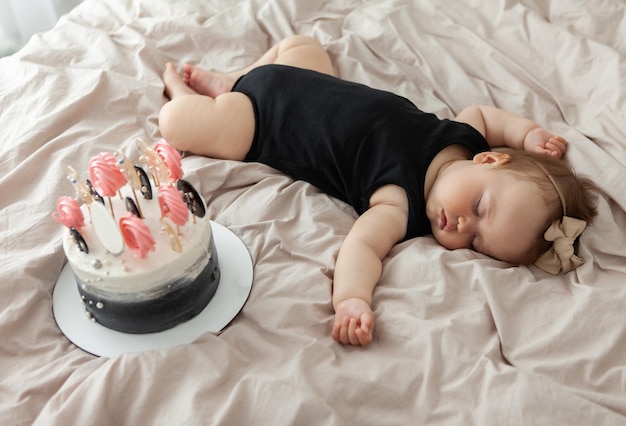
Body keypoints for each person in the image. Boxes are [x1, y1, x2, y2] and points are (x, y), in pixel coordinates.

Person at [158, 35, 598, 346]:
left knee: (178, 124)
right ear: (489, 159)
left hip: (260, 122)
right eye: (481, 207)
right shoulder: (468, 137)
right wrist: (530, 135)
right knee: (307, 43)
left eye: (476, 242)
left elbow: (362, 248)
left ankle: (189, 92)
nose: (463, 226)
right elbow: (489, 114)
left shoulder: (398, 204)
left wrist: (352, 299)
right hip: (299, 75)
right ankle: (229, 78)